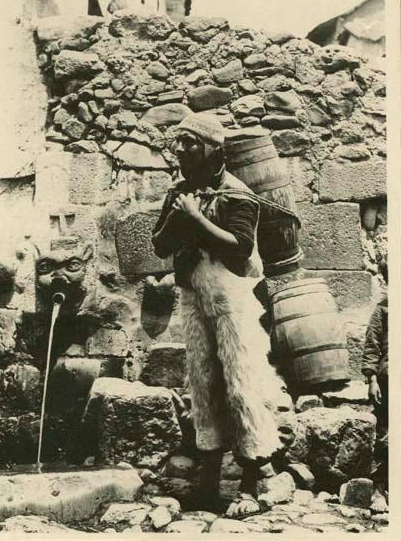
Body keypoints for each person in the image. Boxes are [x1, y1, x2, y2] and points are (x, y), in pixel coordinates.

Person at [152, 113, 284, 517]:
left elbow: (240, 249)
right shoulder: (179, 191)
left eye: (190, 143)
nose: (180, 150)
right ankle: (208, 483)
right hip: (195, 298)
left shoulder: (237, 194)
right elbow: (159, 245)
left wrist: (196, 218)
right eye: (178, 142)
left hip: (235, 300)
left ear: (214, 150)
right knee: (203, 384)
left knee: (242, 382)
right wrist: (179, 216)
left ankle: (250, 483)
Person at [361, 256, 388, 513]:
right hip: (389, 383)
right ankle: (379, 490)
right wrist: (372, 380)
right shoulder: (382, 311)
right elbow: (371, 348)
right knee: (385, 438)